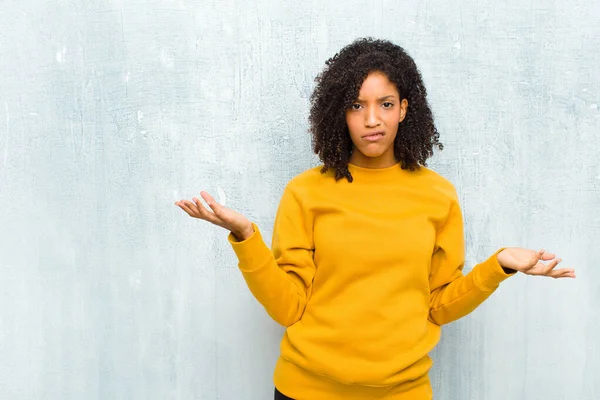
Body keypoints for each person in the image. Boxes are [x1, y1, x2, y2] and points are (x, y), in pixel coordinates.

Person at [175, 37, 576, 400]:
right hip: (306, 391)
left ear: (403, 109)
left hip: (403, 392)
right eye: (356, 105)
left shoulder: (438, 195)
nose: (371, 120)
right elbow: (288, 309)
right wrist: (246, 237)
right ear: (340, 113)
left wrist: (499, 264)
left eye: (385, 104)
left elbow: (438, 306)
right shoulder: (305, 192)